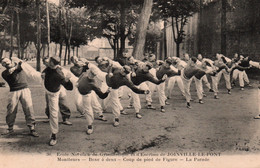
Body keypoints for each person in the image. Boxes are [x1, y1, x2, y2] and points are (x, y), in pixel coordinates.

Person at [0, 57, 39, 137]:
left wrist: (20, 62)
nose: (6, 63)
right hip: (13, 91)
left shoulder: (20, 66)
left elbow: (21, 65)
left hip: (25, 89)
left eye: (7, 60)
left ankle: (32, 128)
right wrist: (16, 65)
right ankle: (10, 129)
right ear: (2, 65)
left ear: (10, 60)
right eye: (4, 62)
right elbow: (13, 72)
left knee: (29, 109)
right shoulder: (4, 73)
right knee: (11, 110)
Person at [42, 56, 73, 146]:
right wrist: (43, 73)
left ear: (52, 63)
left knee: (54, 113)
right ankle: (54, 132)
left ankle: (54, 135)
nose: (48, 63)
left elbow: (69, 87)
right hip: (50, 89)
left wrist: (67, 80)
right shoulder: (49, 67)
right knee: (53, 113)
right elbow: (47, 69)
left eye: (50, 61)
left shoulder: (58, 74)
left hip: (54, 92)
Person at [77, 65, 110, 134]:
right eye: (91, 73)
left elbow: (102, 96)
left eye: (93, 74)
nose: (91, 75)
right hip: (84, 92)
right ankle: (100, 114)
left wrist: (106, 92)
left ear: (95, 75)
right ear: (89, 71)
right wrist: (77, 83)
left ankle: (90, 125)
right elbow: (79, 79)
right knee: (84, 103)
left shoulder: (93, 84)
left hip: (87, 94)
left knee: (88, 109)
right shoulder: (84, 74)